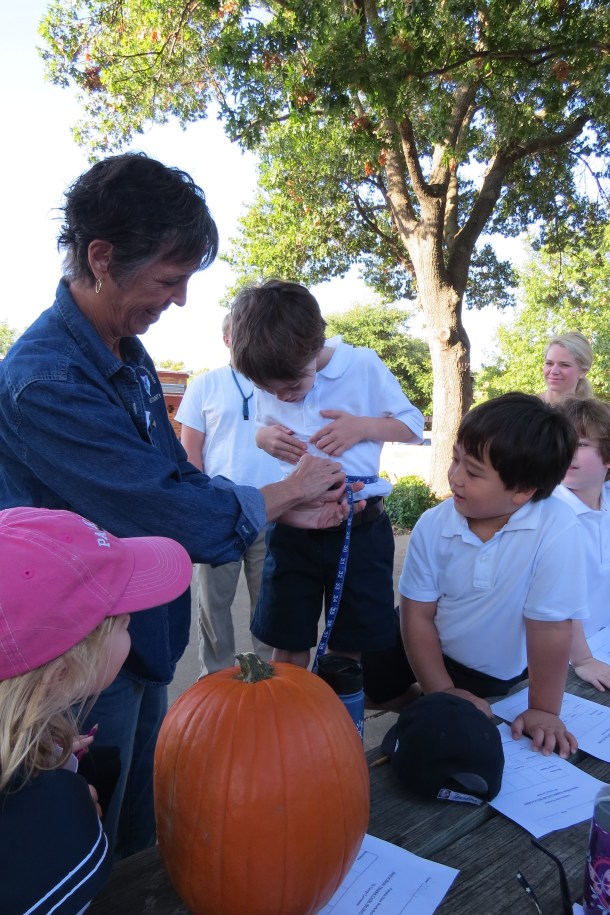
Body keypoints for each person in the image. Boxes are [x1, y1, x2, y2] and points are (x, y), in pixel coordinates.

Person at [0, 153, 358, 859]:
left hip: (140, 640)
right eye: (170, 279)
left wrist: (274, 509)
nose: (183, 300)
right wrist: (289, 488)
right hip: (71, 667)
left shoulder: (127, 356)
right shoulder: (44, 379)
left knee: (141, 827)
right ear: (102, 258)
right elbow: (163, 508)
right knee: (89, 849)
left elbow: (178, 477)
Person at [362, 392, 588, 759]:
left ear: (522, 491)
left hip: (489, 670)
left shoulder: (556, 527)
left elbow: (550, 626)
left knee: (468, 720)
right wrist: (441, 692)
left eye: (472, 471)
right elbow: (416, 614)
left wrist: (545, 710)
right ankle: (414, 699)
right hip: (421, 638)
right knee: (365, 675)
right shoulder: (433, 525)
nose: (455, 477)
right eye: (455, 459)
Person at [0, 505, 193, 915]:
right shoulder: (57, 839)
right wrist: (69, 812)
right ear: (63, 672)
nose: (133, 623)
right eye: (124, 623)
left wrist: (55, 763)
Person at [231, 279, 424, 674]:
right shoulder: (271, 372)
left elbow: (413, 426)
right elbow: (261, 424)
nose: (283, 397)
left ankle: (336, 727)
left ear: (314, 346)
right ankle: (287, 724)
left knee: (348, 648)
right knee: (286, 643)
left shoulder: (362, 365)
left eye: (293, 386)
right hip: (293, 525)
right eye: (270, 390)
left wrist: (362, 427)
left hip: (359, 525)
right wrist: (264, 437)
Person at [176, 313, 280, 674]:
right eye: (243, 333)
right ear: (227, 340)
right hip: (221, 512)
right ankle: (216, 680)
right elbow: (191, 454)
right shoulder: (205, 385)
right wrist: (202, 508)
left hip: (272, 508)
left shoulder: (279, 382)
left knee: (268, 604)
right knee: (213, 606)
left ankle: (269, 679)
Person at [554, 397, 610, 690]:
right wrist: (584, 660)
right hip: (559, 660)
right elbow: (558, 597)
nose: (566, 452)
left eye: (581, 444)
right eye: (561, 442)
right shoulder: (548, 513)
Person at [540, 330, 593, 404]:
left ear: (583, 371)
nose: (554, 371)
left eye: (564, 365)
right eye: (549, 363)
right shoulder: (526, 409)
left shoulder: (593, 414)